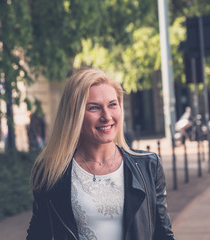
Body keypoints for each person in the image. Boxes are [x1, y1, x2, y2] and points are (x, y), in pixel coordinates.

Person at [26, 68, 175, 240]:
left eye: (112, 105)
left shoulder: (148, 166)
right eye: (94, 108)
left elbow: (163, 234)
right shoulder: (51, 171)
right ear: (75, 116)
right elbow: (39, 234)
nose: (107, 116)